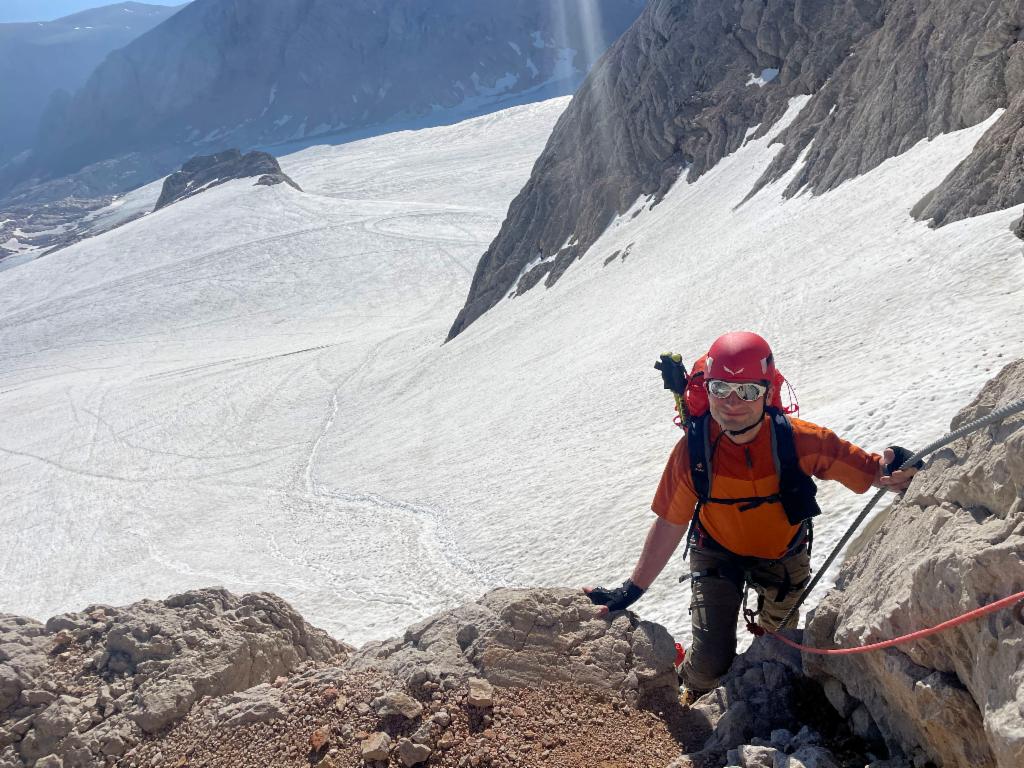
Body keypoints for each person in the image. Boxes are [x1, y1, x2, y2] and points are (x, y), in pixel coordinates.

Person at [585, 331, 920, 703]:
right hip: (717, 551)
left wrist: (898, 465)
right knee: (711, 663)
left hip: (783, 555)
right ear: (706, 388)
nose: (732, 403)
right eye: (721, 389)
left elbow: (875, 473)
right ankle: (691, 685)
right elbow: (670, 522)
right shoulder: (693, 452)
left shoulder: (803, 442)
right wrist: (632, 589)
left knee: (776, 646)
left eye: (746, 391)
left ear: (767, 391)